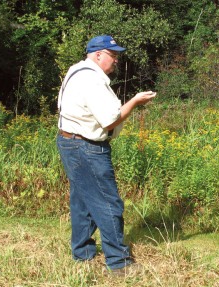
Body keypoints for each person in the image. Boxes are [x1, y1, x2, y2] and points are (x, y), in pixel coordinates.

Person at [56, 35, 156, 274]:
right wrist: (135, 101)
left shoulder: (77, 70)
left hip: (70, 141)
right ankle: (119, 263)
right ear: (98, 54)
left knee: (82, 201)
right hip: (86, 147)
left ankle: (83, 253)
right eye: (113, 55)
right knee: (108, 202)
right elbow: (110, 119)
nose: (116, 61)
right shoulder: (91, 80)